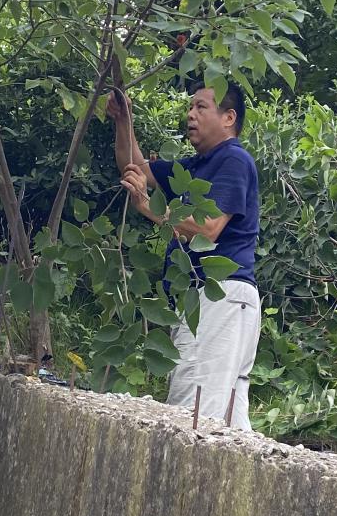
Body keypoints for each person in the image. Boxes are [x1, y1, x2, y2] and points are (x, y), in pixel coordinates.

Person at [110, 81, 262, 429]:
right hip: (220, 301)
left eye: (201, 107)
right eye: (190, 107)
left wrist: (147, 206)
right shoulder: (195, 167)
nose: (190, 114)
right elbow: (135, 167)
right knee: (228, 424)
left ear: (228, 118)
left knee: (191, 416)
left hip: (219, 296)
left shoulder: (233, 160)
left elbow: (209, 229)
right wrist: (123, 119)